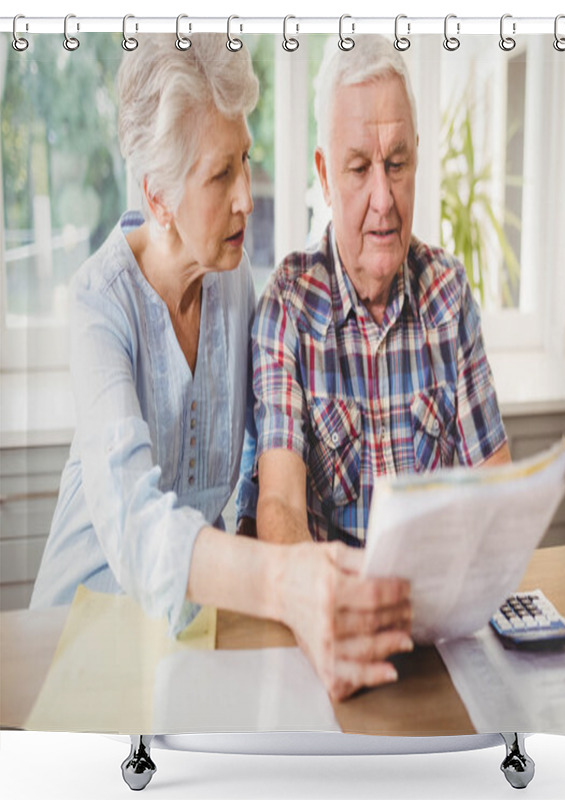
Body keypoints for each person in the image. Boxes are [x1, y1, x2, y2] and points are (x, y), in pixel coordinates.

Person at [29, 34, 411, 702]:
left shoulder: (233, 284)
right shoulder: (98, 304)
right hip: (78, 630)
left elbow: (264, 454)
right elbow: (135, 524)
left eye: (246, 160)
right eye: (219, 175)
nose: (246, 197)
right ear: (159, 198)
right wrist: (279, 580)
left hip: (183, 634)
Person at [252, 35, 511, 548]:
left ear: (417, 157)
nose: (383, 199)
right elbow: (279, 506)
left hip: (440, 607)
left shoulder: (448, 292)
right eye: (359, 168)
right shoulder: (288, 305)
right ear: (325, 176)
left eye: (396, 164)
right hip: (340, 612)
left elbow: (495, 479)